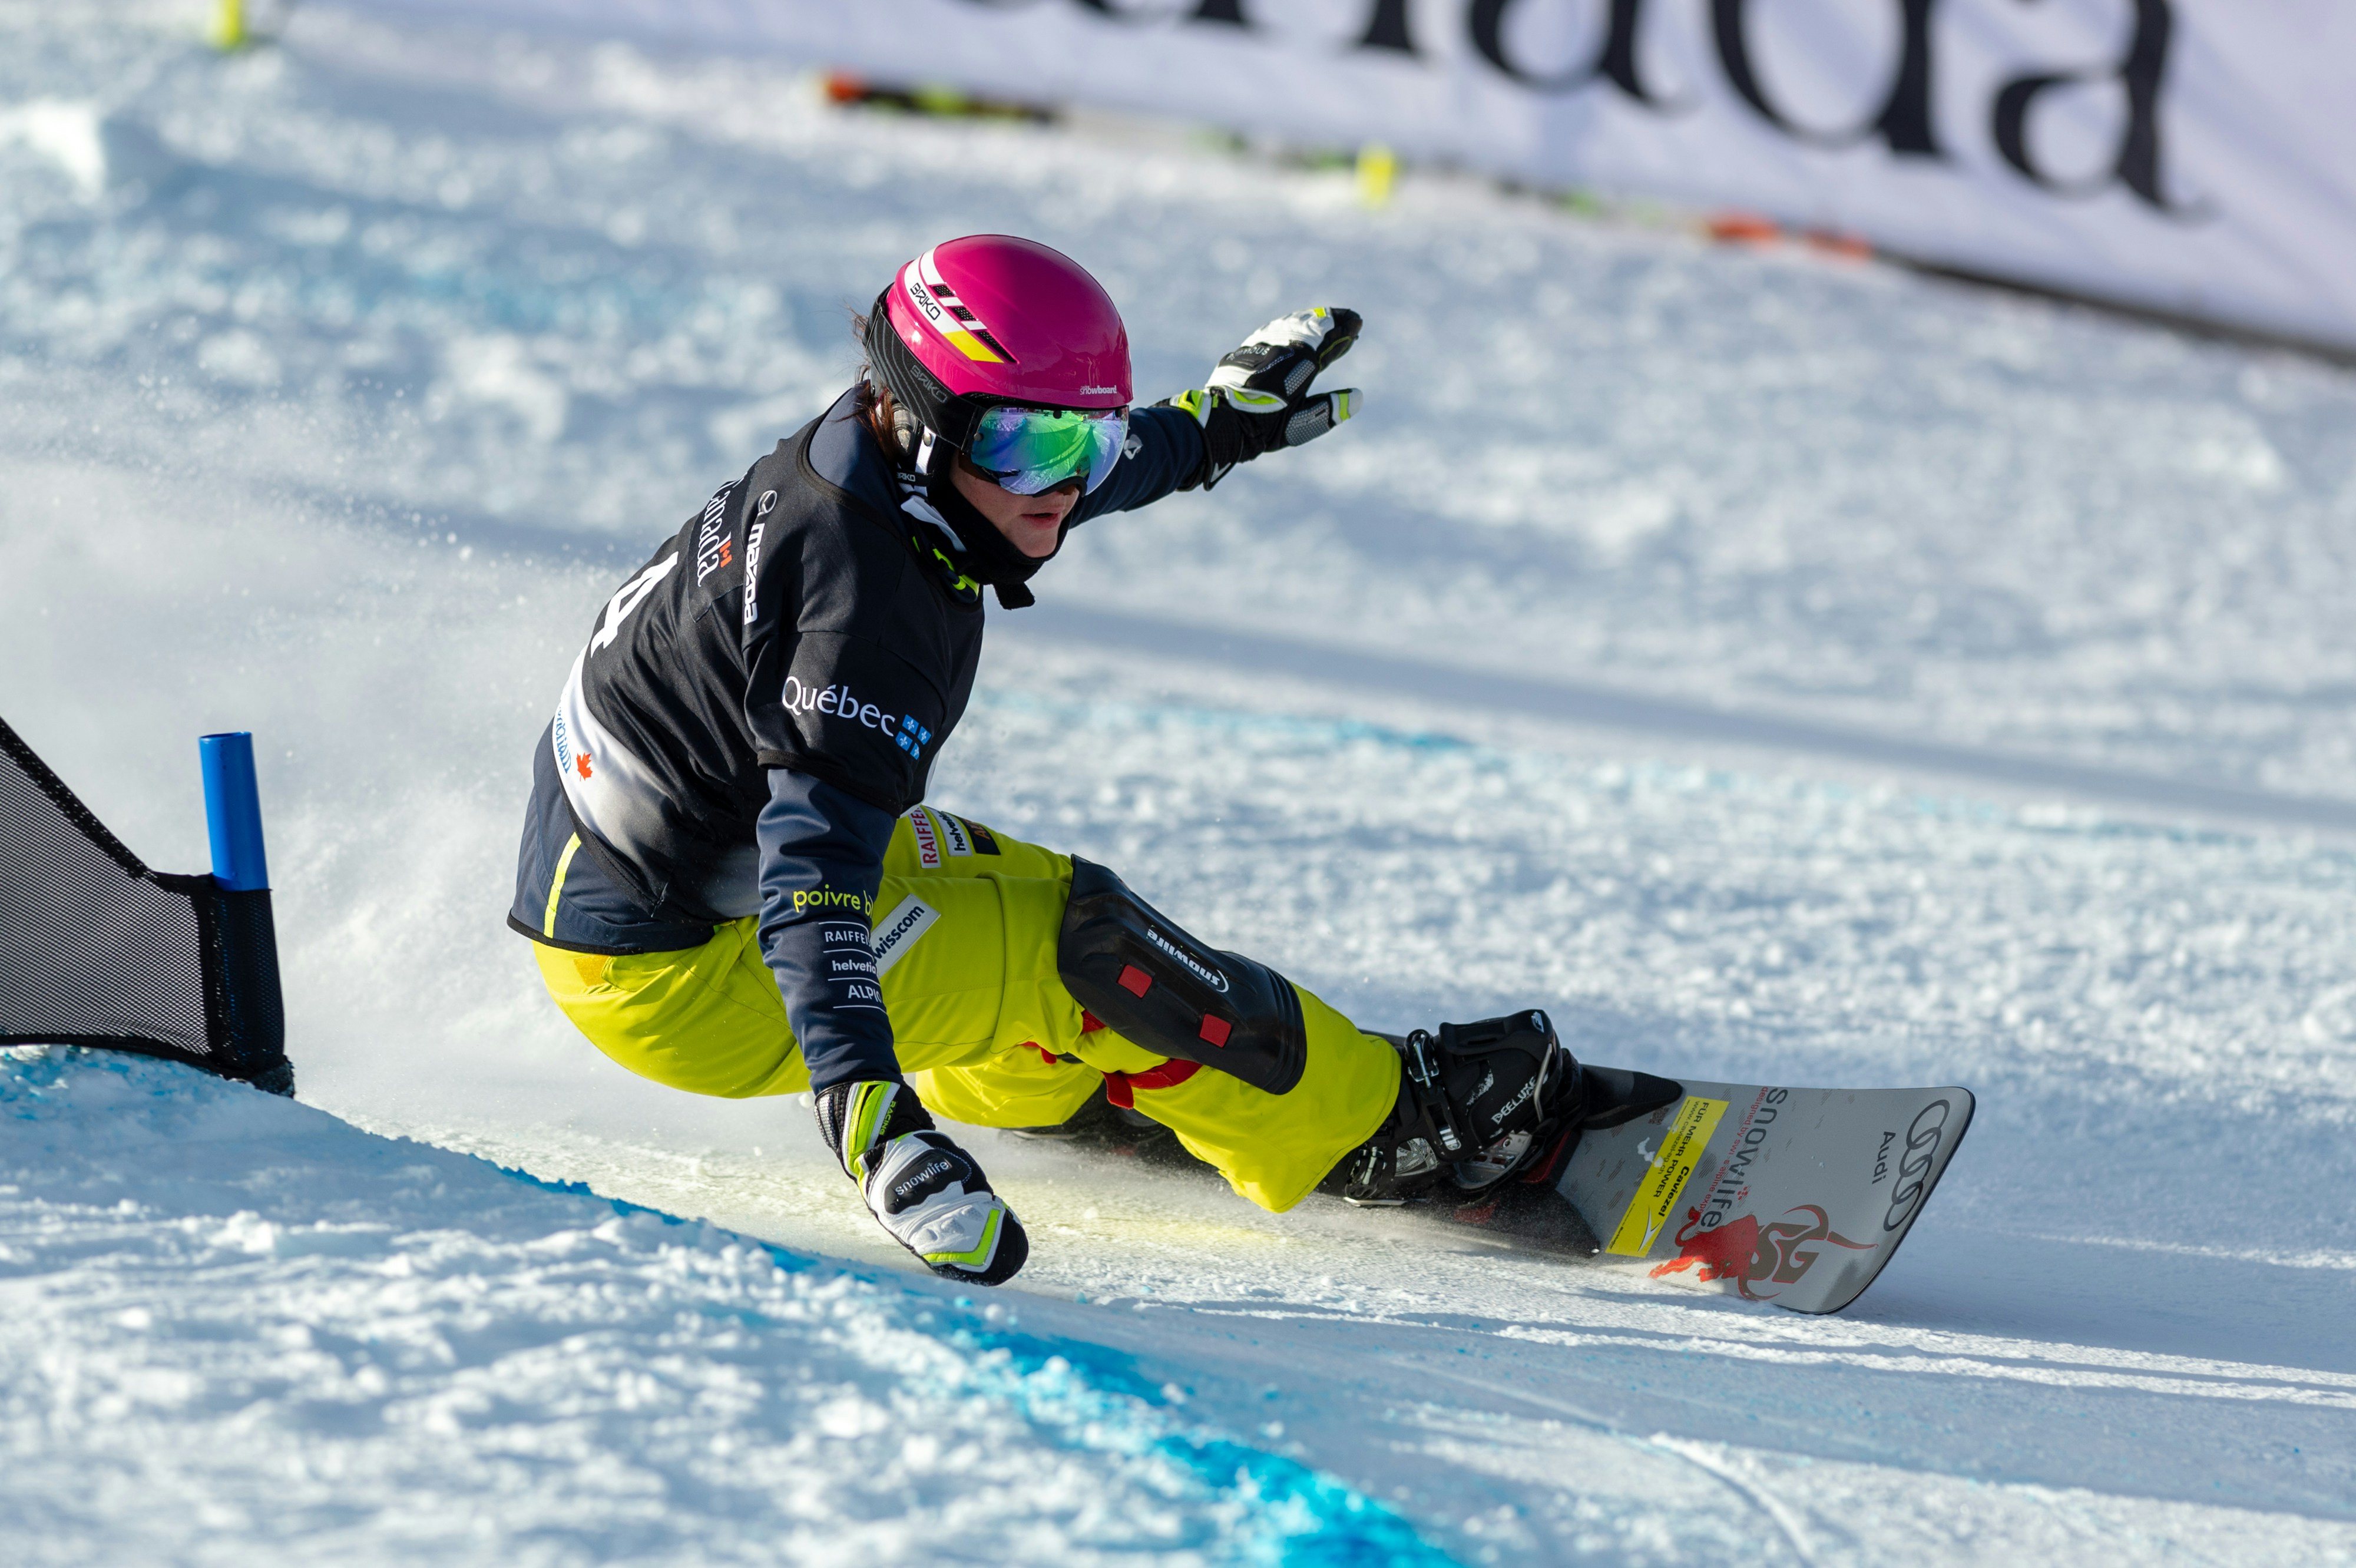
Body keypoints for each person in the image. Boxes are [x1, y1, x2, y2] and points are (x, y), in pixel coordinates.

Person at [509, 235, 1590, 1286]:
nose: (1063, 484)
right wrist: (872, 1119)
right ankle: (1383, 1130)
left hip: (652, 884)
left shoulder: (882, 455)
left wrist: (1214, 427)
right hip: (685, 980)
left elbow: (1046, 466)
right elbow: (813, 886)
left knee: (1011, 880)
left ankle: (1058, 1081)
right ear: (926, 421)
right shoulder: (863, 614)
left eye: (1089, 439)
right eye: (1030, 445)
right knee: (1079, 951)